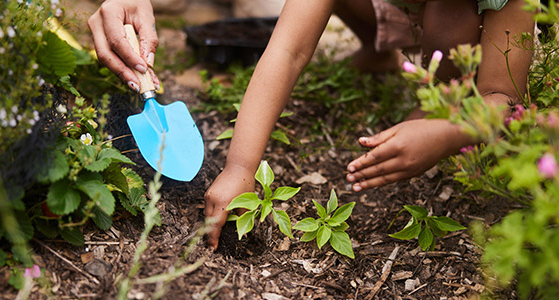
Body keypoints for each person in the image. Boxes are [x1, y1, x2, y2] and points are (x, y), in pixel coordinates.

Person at [88, 0, 534, 250]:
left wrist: (451, 130)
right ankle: (380, 49)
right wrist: (241, 167)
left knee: (448, 17)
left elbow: (505, 96)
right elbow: (288, 51)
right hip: (394, 9)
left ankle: (444, 93)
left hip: (456, 22)